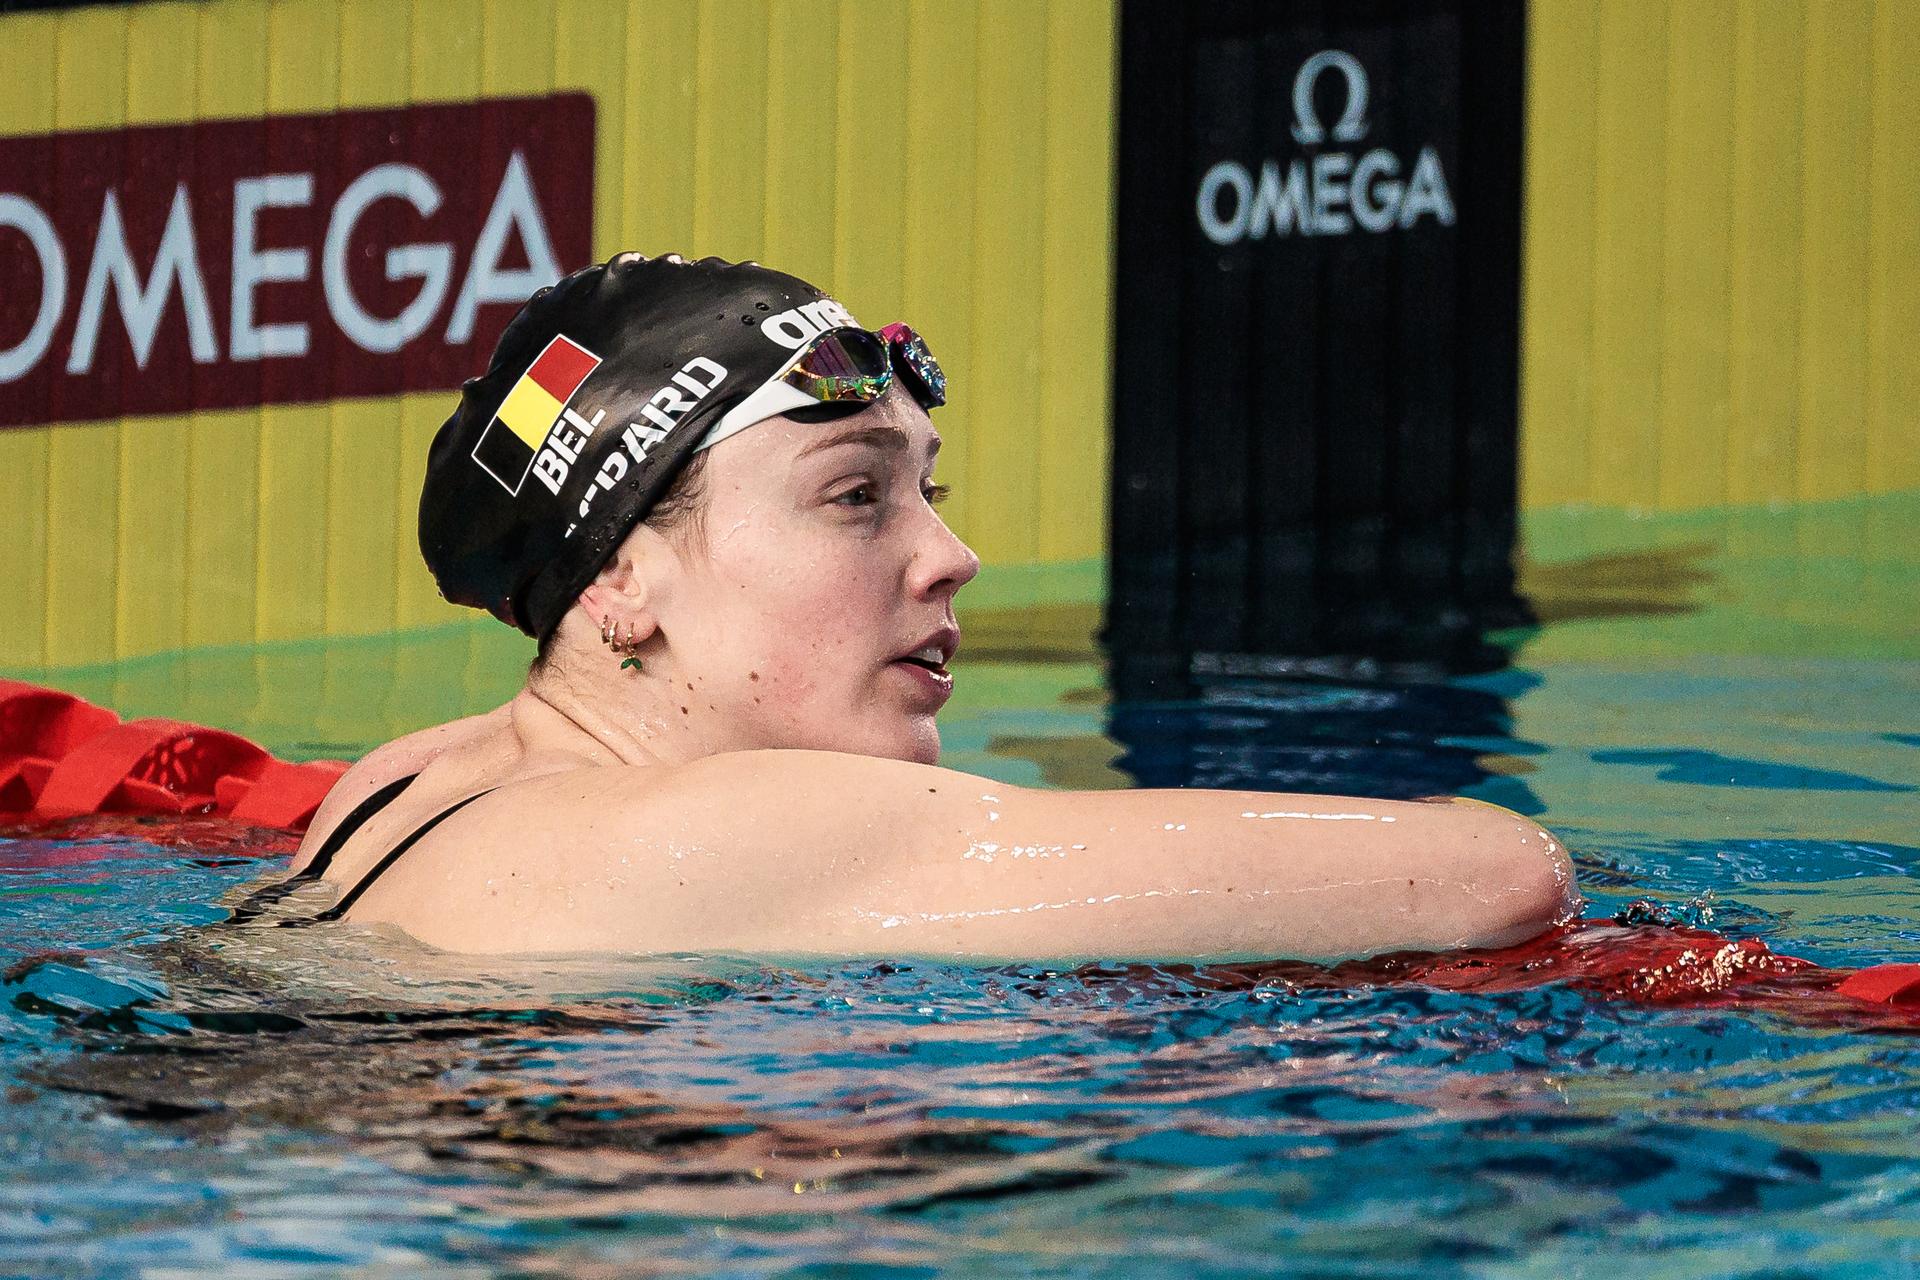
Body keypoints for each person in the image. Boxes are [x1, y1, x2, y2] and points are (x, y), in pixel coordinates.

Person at [261, 252, 1578, 959]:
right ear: (621, 583)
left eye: (929, 493)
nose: (953, 556)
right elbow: (1488, 873)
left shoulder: (395, 787)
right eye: (855, 497)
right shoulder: (719, 824)